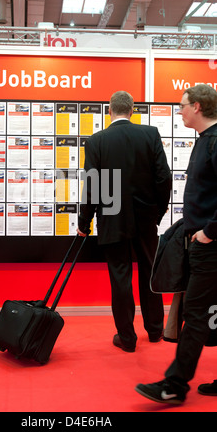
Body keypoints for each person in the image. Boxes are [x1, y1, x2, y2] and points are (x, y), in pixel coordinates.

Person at [135, 84, 217, 404]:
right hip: (202, 242)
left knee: (195, 314)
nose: (178, 110)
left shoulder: (214, 143)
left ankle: (174, 384)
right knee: (201, 312)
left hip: (210, 246)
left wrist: (209, 232)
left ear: (197, 106)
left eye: (182, 105)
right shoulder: (205, 141)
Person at [77, 91, 171, 352]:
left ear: (110, 111)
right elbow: (164, 178)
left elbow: (92, 184)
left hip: (111, 217)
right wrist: (158, 212)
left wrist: (85, 221)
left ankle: (127, 338)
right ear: (132, 110)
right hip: (145, 218)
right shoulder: (150, 134)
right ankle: (155, 331)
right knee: (149, 272)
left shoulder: (97, 141)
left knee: (120, 276)